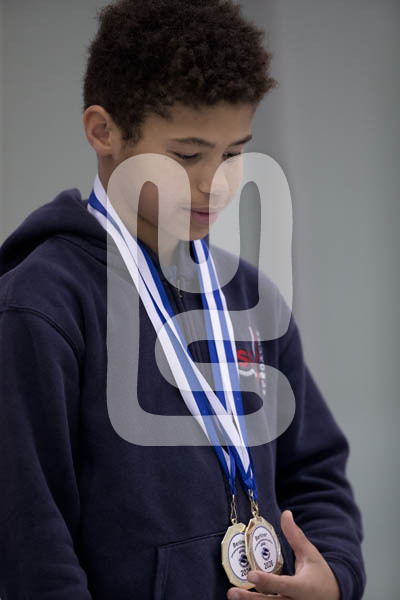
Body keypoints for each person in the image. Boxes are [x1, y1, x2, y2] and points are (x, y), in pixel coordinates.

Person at [0, 1, 366, 599]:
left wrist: (333, 576)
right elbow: (29, 536)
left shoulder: (248, 296)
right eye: (187, 155)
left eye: (233, 154)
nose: (214, 183)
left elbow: (315, 472)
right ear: (104, 132)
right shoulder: (41, 305)